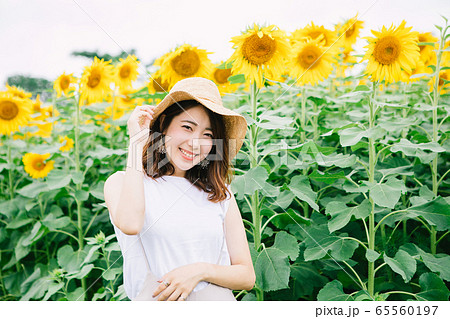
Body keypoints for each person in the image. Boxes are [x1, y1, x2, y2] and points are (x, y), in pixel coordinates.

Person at [103, 77, 255, 301]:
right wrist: (137, 141)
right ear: (164, 124)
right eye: (187, 127)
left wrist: (199, 271)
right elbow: (131, 224)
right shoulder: (122, 182)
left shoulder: (219, 192)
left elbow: (246, 276)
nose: (196, 143)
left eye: (207, 135)